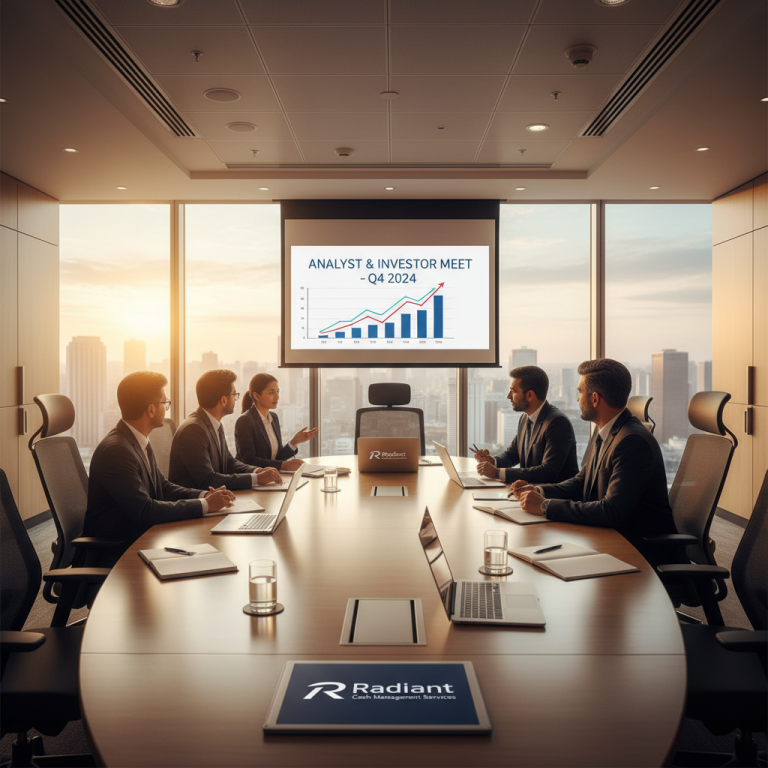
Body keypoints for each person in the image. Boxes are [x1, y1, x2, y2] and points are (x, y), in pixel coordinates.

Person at [511, 358, 674, 556]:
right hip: (602, 537)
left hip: (635, 551)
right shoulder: (605, 430)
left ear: (595, 399)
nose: (577, 399)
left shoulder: (632, 442)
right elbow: (582, 480)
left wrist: (545, 506)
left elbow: (612, 511)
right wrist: (539, 491)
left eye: (580, 392)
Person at [84, 371, 234, 563]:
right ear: (151, 410)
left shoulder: (137, 440)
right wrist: (205, 505)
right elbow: (145, 510)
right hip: (120, 552)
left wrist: (204, 496)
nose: (167, 409)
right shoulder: (117, 451)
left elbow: (163, 486)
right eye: (165, 403)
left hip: (145, 539)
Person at [169, 369, 284, 491]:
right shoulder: (193, 430)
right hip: (196, 504)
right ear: (223, 400)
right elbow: (208, 480)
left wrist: (256, 471)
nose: (236, 399)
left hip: (216, 498)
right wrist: (256, 479)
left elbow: (229, 462)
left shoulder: (214, 424)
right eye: (234, 394)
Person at [473, 366, 578, 485]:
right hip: (529, 492)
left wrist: (497, 473)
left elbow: (548, 472)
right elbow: (512, 454)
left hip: (553, 499)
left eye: (513, 391)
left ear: (529, 395)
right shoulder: (525, 418)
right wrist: (492, 461)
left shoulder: (558, 423)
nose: (508, 396)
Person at [235, 373, 318, 470]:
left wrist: (294, 441)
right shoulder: (244, 421)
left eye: (278, 391)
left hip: (272, 478)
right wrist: (284, 465)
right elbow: (249, 460)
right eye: (271, 392)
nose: (277, 397)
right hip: (254, 480)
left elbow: (277, 458)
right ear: (257, 396)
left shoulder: (274, 418)